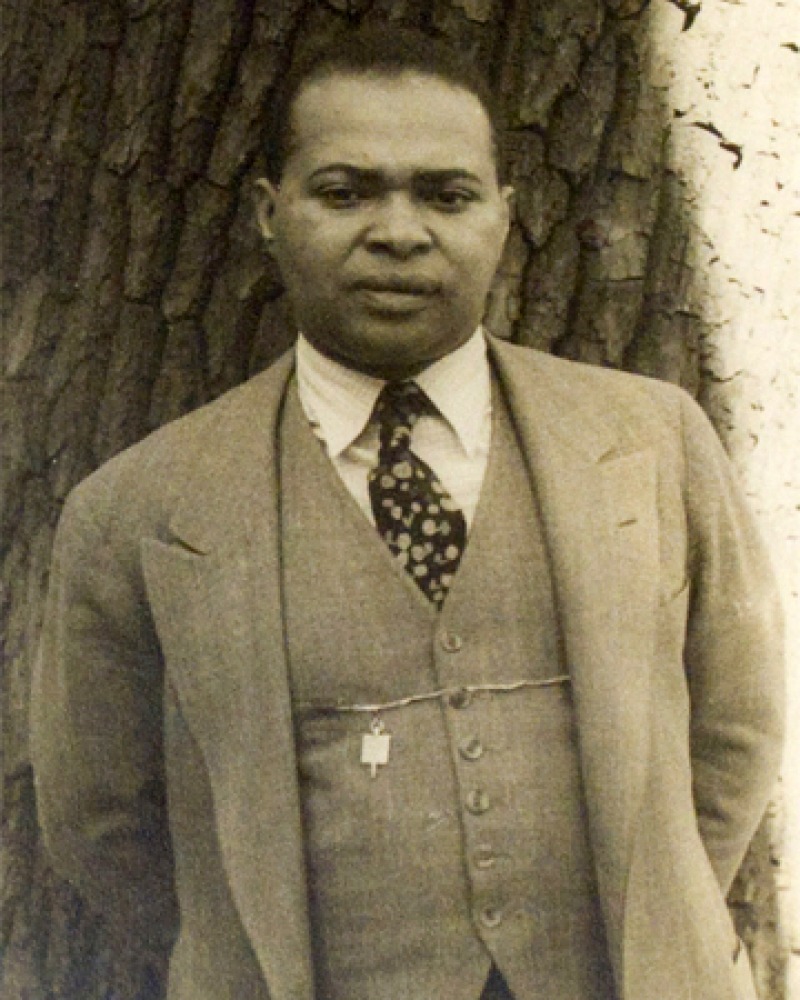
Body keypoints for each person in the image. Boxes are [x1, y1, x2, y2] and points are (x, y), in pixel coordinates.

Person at [31, 25, 784, 1000]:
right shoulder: (134, 512)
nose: (398, 230)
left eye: (445, 192)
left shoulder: (651, 441)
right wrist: (238, 945)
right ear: (268, 212)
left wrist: (660, 921)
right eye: (344, 192)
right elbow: (103, 819)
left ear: (503, 217)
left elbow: (733, 732)